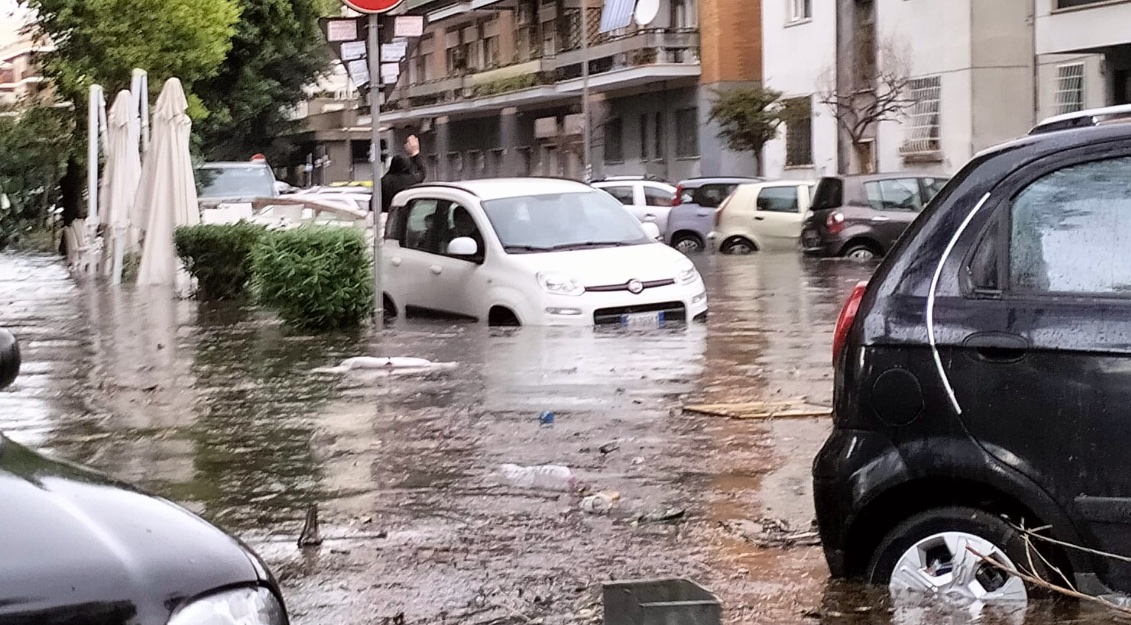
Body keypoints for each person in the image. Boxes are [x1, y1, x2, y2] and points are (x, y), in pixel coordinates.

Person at [381, 135, 426, 212]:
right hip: (406, 214)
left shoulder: (384, 182)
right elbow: (422, 172)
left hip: (388, 214)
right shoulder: (412, 179)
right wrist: (415, 153)